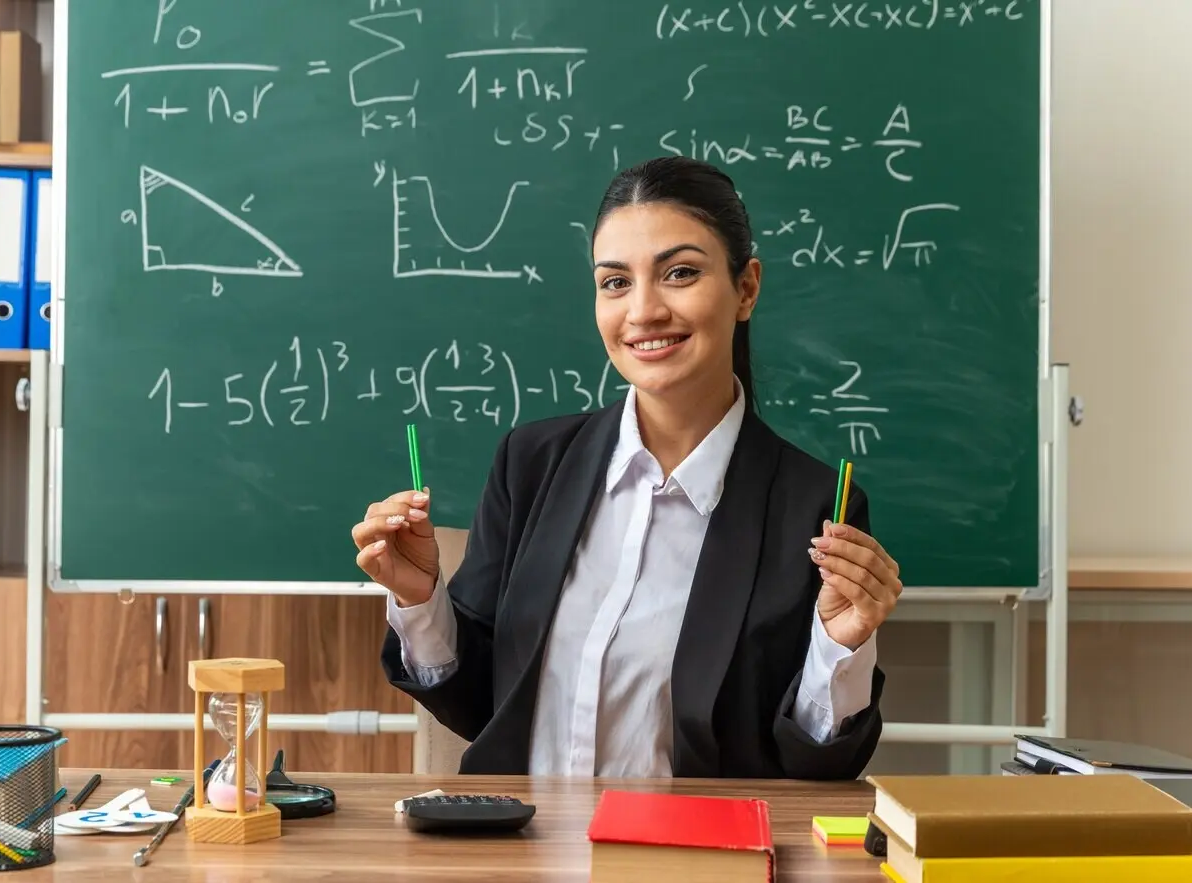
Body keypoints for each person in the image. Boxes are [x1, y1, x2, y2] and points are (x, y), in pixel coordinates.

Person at [353, 155, 904, 780]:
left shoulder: (814, 505)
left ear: (746, 288)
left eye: (680, 273)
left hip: (699, 866)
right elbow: (482, 703)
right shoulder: (530, 465)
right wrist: (420, 597)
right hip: (520, 856)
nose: (642, 312)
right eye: (615, 282)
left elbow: (811, 771)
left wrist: (842, 647)